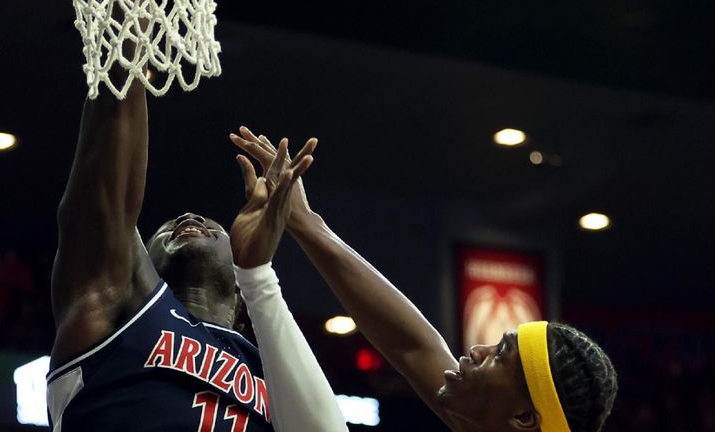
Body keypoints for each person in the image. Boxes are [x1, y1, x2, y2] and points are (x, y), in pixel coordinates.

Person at [45, 0, 347, 431]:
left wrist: (262, 277)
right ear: (142, 266)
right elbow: (113, 111)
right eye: (159, 228)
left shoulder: (275, 373)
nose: (182, 218)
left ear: (241, 294)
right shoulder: (111, 305)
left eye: (201, 222)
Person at [231, 127, 618, 432]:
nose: (479, 349)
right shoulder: (491, 420)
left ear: (522, 419)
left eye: (500, 356)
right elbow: (411, 345)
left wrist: (258, 277)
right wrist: (304, 222)